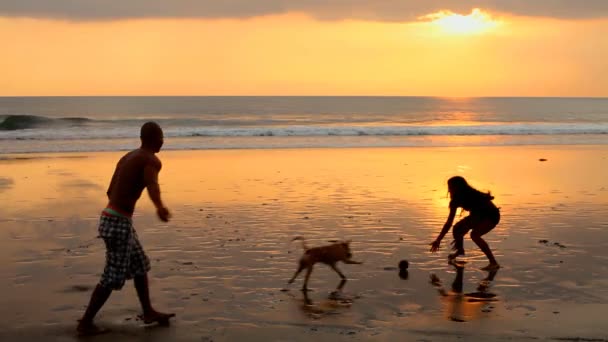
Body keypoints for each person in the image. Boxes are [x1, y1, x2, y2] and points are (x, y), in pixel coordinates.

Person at [77, 122, 174, 335]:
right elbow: (152, 186)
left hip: (112, 217)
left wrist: (121, 209)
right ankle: (85, 323)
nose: (163, 141)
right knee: (112, 276)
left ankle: (148, 311)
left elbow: (110, 191)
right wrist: (159, 207)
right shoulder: (151, 160)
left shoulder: (128, 157)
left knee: (139, 264)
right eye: (162, 137)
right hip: (118, 223)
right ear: (156, 139)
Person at [430, 176, 500, 270]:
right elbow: (449, 222)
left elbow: (486, 206)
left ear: (458, 187)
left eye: (451, 187)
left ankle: (493, 263)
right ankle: (460, 251)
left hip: (491, 215)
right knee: (457, 229)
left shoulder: (471, 194)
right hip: (478, 215)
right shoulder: (456, 200)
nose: (449, 190)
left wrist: (438, 239)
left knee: (474, 235)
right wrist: (438, 239)